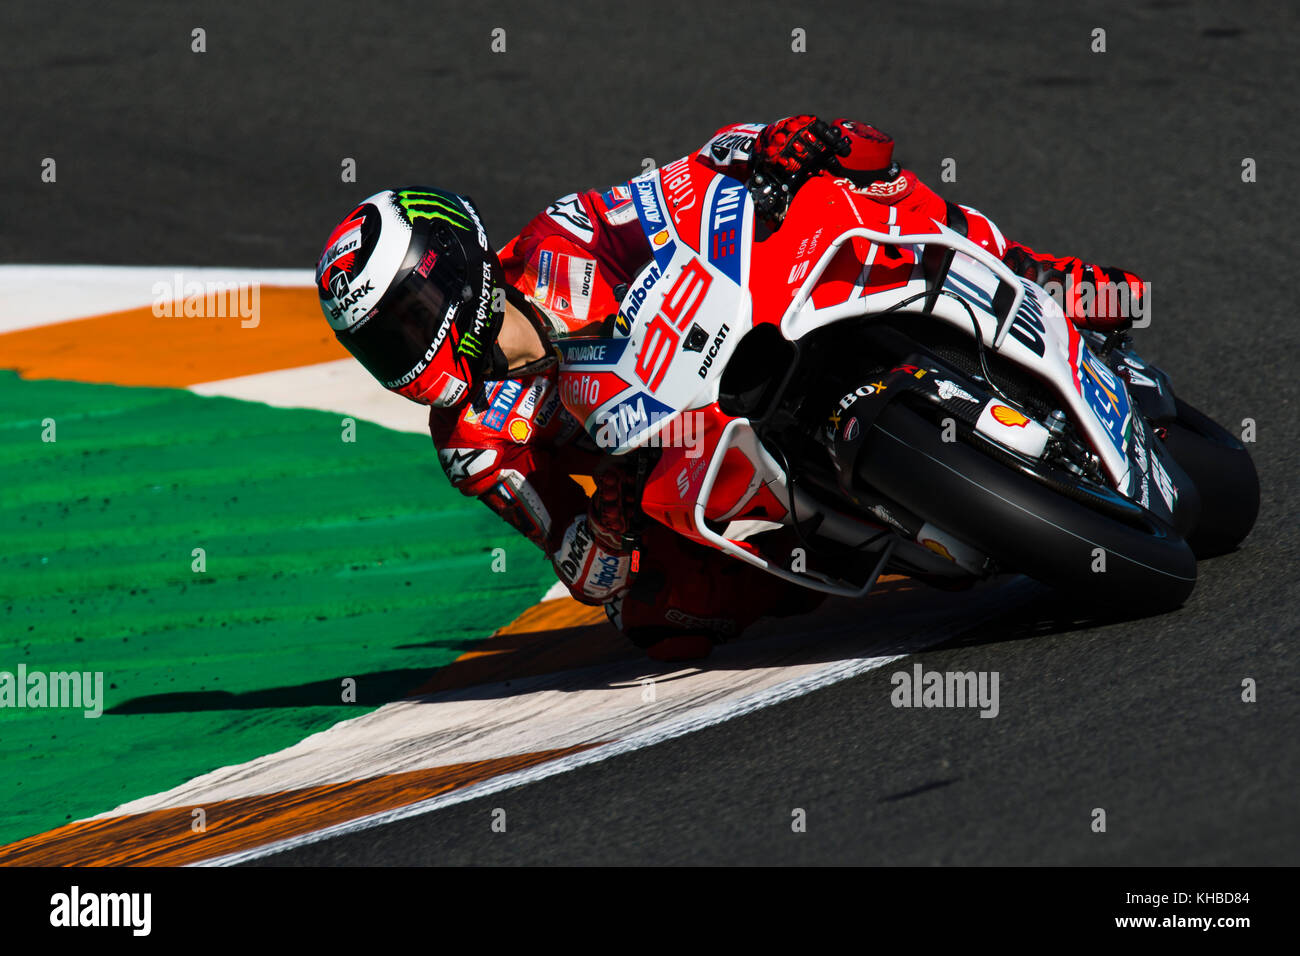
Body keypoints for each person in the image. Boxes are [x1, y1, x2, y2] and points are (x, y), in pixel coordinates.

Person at [313, 116, 1145, 661]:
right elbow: (584, 571)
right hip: (672, 468)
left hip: (722, 339)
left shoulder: (563, 236)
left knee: (841, 175)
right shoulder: (474, 446)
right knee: (654, 621)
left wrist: (763, 148)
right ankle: (860, 541)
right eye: (381, 340)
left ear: (457, 267)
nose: (407, 345)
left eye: (408, 313)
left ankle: (1034, 273)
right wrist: (607, 529)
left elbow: (675, 186)